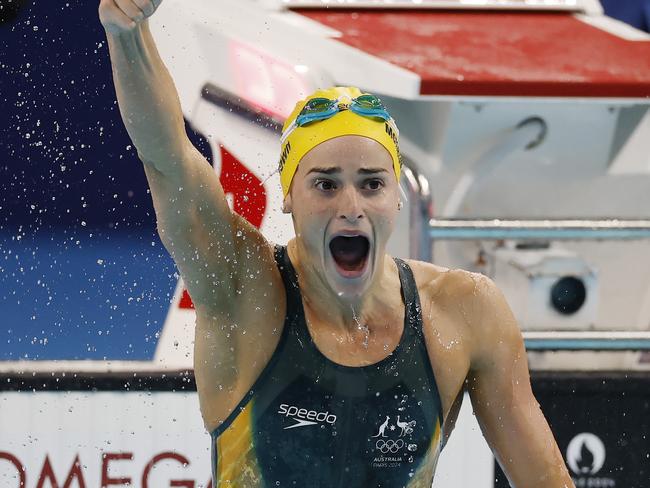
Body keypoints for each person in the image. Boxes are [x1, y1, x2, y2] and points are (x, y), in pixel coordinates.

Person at [99, 1, 576, 486]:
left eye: (372, 184)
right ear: (289, 197)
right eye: (326, 185)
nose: (352, 206)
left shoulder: (463, 313)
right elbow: (167, 157)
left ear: (396, 198)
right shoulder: (245, 292)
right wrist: (127, 35)